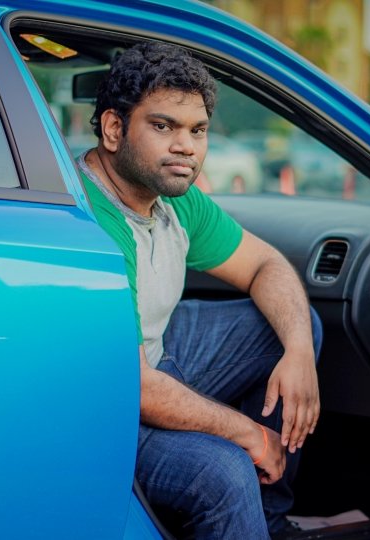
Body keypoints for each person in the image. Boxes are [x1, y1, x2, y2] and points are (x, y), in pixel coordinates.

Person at [75, 42, 322, 539]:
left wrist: (299, 353)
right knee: (225, 471)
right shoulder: (92, 222)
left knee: (292, 327)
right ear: (113, 129)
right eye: (163, 126)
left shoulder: (171, 198)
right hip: (102, 406)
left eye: (198, 130)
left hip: (155, 357)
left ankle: (266, 524)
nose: (186, 147)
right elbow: (135, 385)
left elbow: (265, 265)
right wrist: (250, 435)